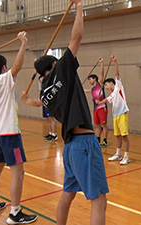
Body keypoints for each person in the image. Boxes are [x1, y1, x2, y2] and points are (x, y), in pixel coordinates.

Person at [34, 0, 109, 224]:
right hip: (85, 143)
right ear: (56, 64)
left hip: (69, 147)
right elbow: (76, 38)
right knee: (99, 201)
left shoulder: (44, 93)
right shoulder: (62, 70)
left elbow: (35, 101)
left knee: (68, 194)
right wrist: (78, 7)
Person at [0, 31, 38, 224]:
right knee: (18, 173)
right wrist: (23, 43)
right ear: (4, 67)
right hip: (10, 135)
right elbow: (18, 66)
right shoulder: (4, 79)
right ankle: (15, 213)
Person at [96, 55, 130, 165]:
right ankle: (118, 154)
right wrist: (99, 102)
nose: (105, 86)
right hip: (115, 115)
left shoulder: (118, 87)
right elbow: (107, 100)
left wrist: (115, 62)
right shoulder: (112, 94)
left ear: (112, 83)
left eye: (106, 84)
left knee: (124, 136)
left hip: (122, 114)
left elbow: (117, 74)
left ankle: (126, 156)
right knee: (117, 136)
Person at [21, 75, 58, 142]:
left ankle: (54, 134)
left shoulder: (49, 85)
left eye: (41, 78)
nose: (40, 80)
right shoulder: (43, 86)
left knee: (51, 118)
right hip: (44, 104)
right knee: (48, 119)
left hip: (49, 104)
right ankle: (50, 133)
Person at [84, 57, 108, 147]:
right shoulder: (93, 89)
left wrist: (101, 63)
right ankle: (97, 139)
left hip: (102, 107)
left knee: (103, 124)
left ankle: (105, 140)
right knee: (97, 125)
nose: (89, 81)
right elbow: (86, 91)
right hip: (95, 108)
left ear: (94, 79)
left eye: (90, 79)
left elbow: (102, 73)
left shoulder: (100, 84)